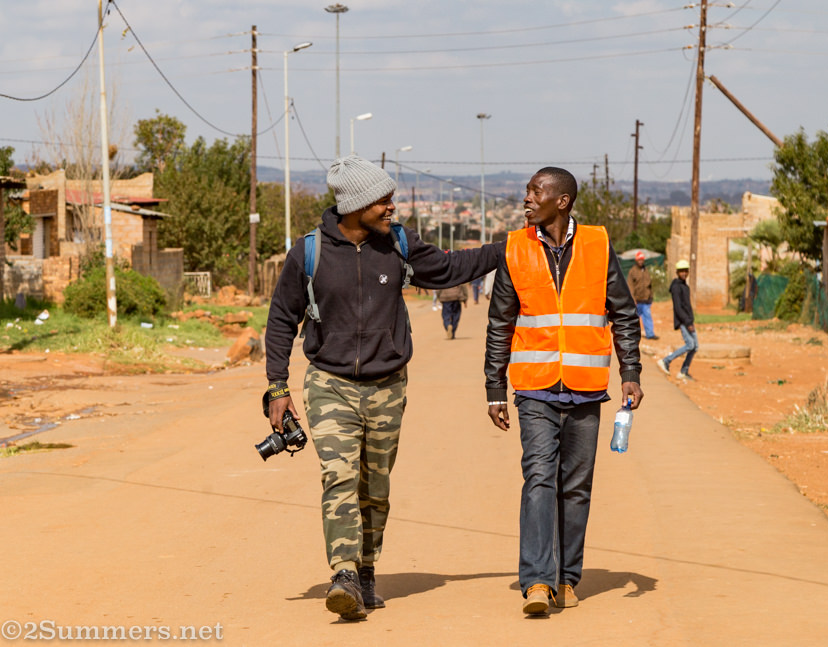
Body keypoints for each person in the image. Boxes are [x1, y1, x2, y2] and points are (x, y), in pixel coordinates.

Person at [264, 155, 500, 621]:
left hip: (388, 386)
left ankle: (367, 570)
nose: (392, 206)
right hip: (330, 384)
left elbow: (454, 268)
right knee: (339, 477)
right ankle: (344, 572)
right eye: (384, 200)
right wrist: (277, 387)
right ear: (356, 204)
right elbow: (279, 320)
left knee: (376, 486)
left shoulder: (398, 245)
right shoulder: (308, 253)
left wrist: (511, 247)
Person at [484, 167, 643, 616]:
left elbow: (624, 313)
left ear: (563, 201)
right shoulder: (516, 247)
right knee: (539, 478)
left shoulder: (597, 244)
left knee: (575, 487)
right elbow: (500, 322)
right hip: (534, 389)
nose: (527, 198)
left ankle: (566, 579)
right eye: (528, 191)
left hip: (586, 389)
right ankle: (536, 580)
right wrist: (494, 387)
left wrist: (630, 370)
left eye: (536, 191)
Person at [656, 259, 697, 380]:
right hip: (684, 321)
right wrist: (687, 322)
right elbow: (678, 308)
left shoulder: (685, 286)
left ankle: (684, 371)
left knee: (695, 346)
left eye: (686, 271)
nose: (684, 273)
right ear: (677, 272)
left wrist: (691, 320)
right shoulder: (676, 287)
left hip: (689, 320)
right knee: (690, 345)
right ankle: (666, 361)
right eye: (681, 271)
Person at [627, 251, 658, 339]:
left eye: (642, 260)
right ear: (636, 260)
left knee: (647, 317)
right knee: (634, 318)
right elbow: (630, 286)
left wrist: (651, 296)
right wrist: (632, 299)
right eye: (639, 260)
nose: (641, 261)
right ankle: (631, 334)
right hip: (637, 300)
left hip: (646, 299)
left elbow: (649, 285)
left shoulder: (646, 270)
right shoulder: (632, 271)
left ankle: (650, 334)